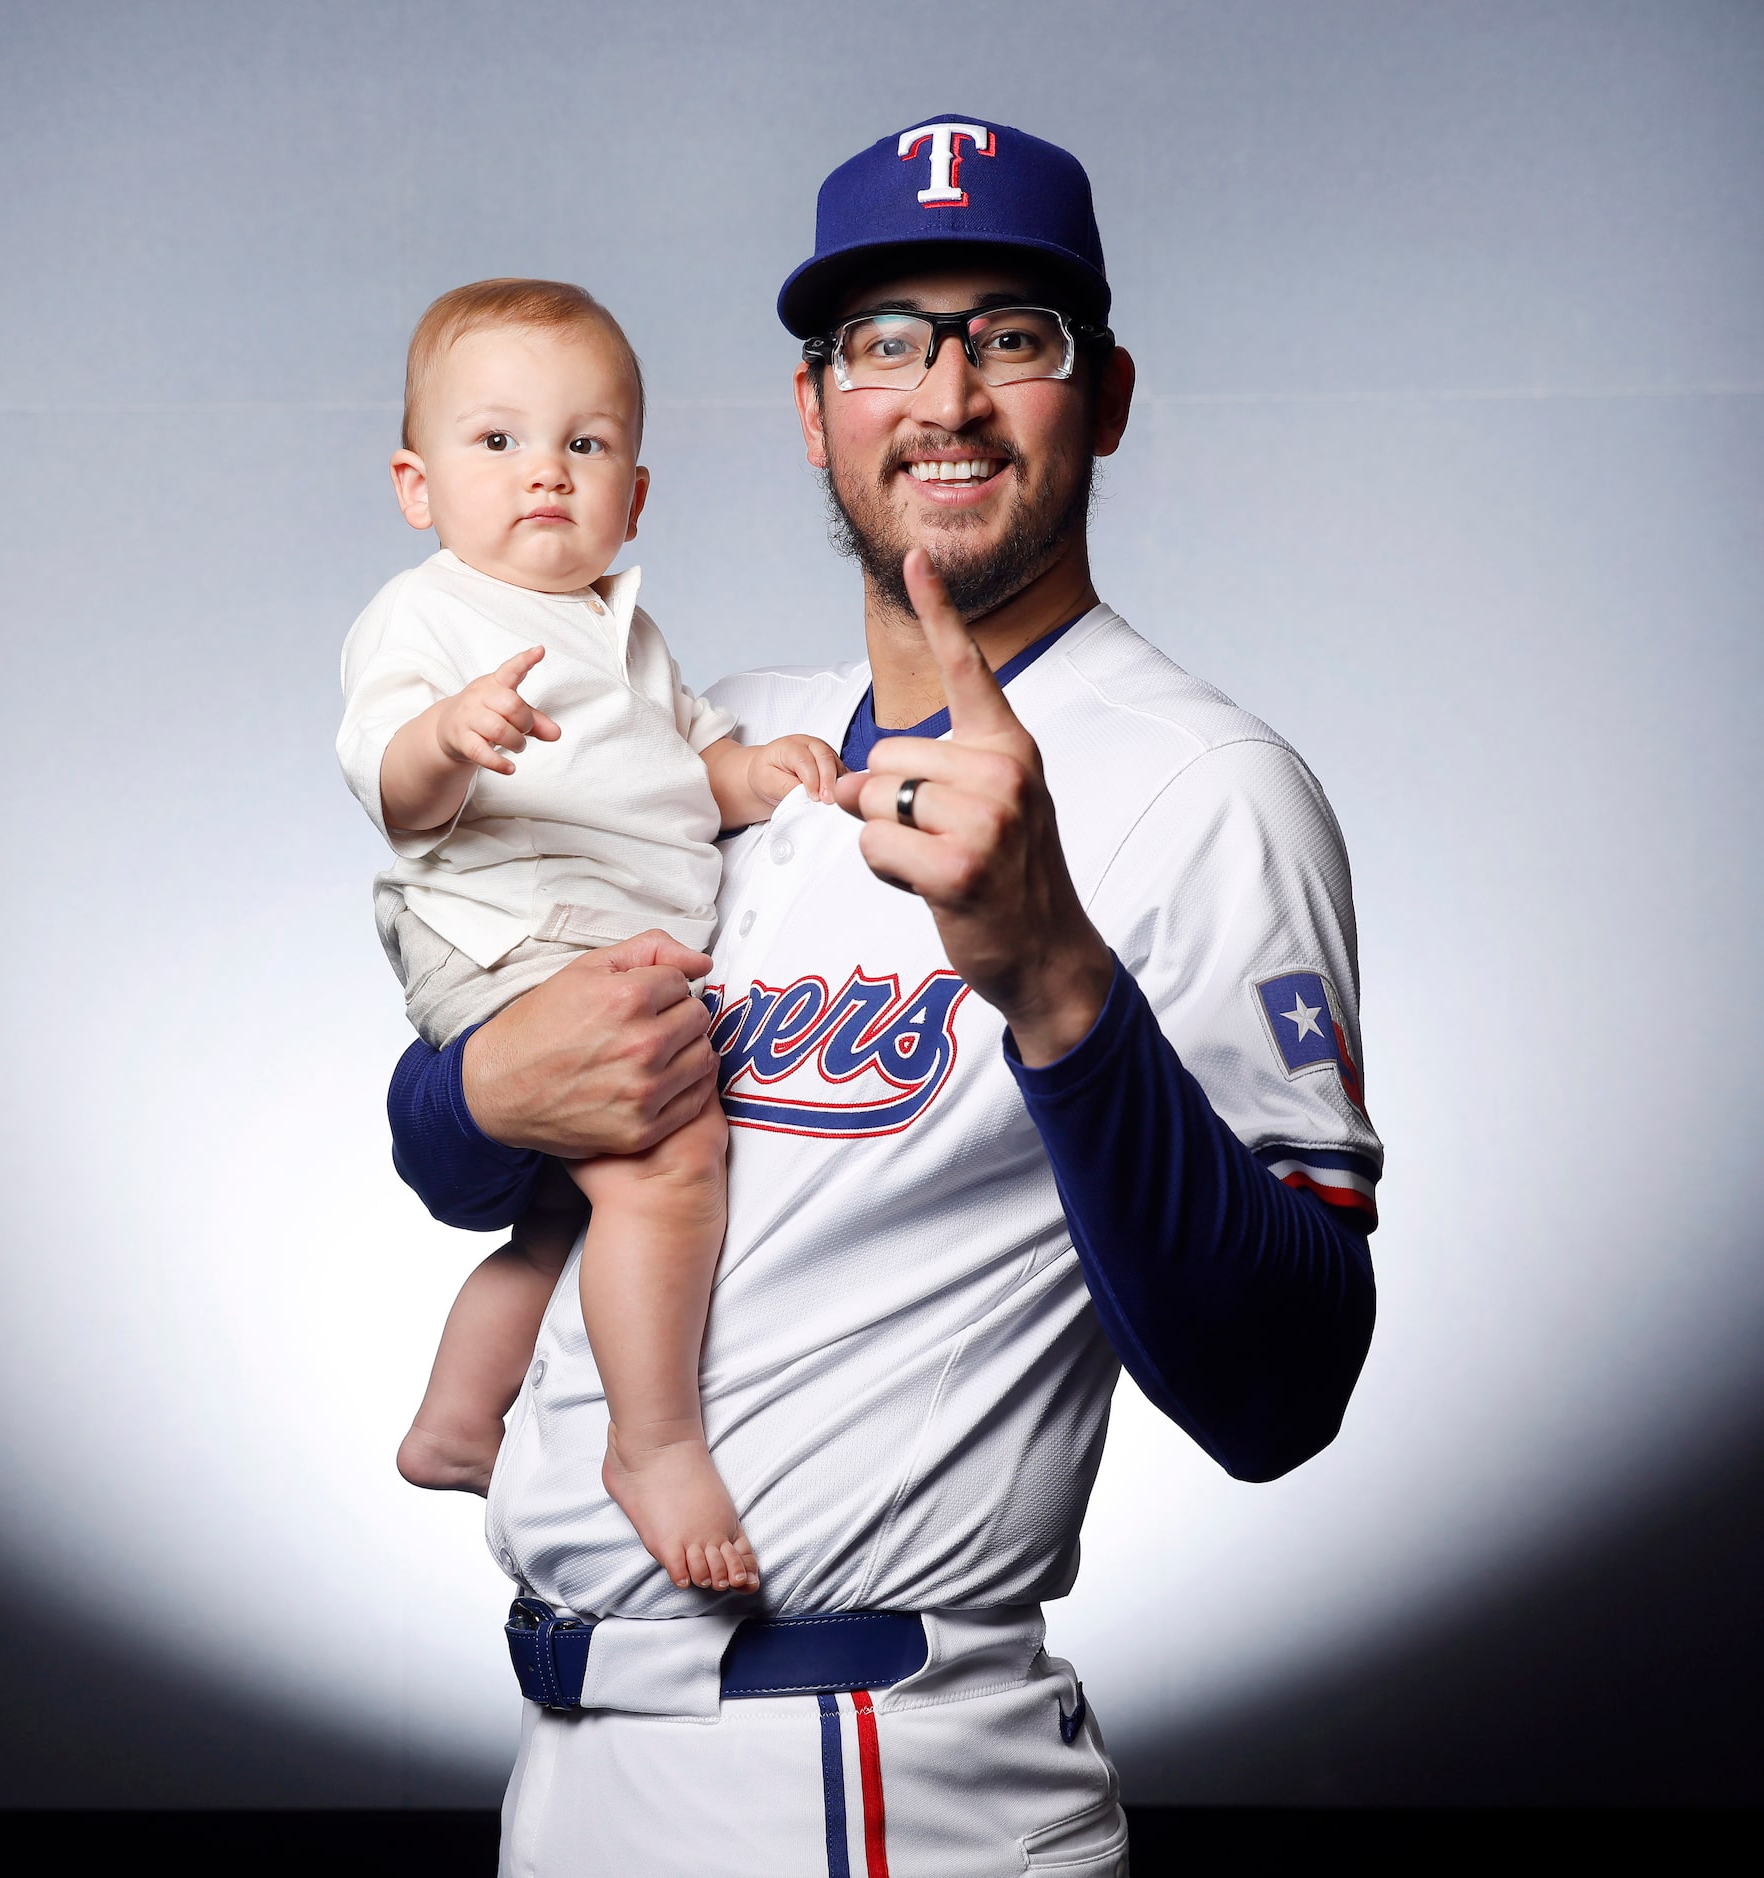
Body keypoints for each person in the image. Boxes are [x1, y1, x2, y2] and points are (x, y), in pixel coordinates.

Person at [382, 119, 1381, 1874]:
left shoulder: (1200, 786)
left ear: (1110, 394)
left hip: (869, 1774)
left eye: (1014, 335)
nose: (947, 396)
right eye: (887, 339)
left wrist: (1058, 982)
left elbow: (1283, 1387)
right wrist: (480, 1093)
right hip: (566, 1760)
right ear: (813, 406)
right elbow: (467, 1146)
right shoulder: (717, 737)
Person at [339, 279, 844, 1595]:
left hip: (597, 935)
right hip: (510, 929)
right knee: (670, 1159)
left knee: (570, 1221)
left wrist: (759, 776)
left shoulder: (629, 629)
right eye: (496, 442)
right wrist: (446, 738)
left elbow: (692, 769)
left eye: (586, 443)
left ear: (635, 491)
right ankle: (655, 1443)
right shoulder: (430, 614)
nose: (546, 474)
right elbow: (390, 783)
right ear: (416, 483)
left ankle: (459, 1418)